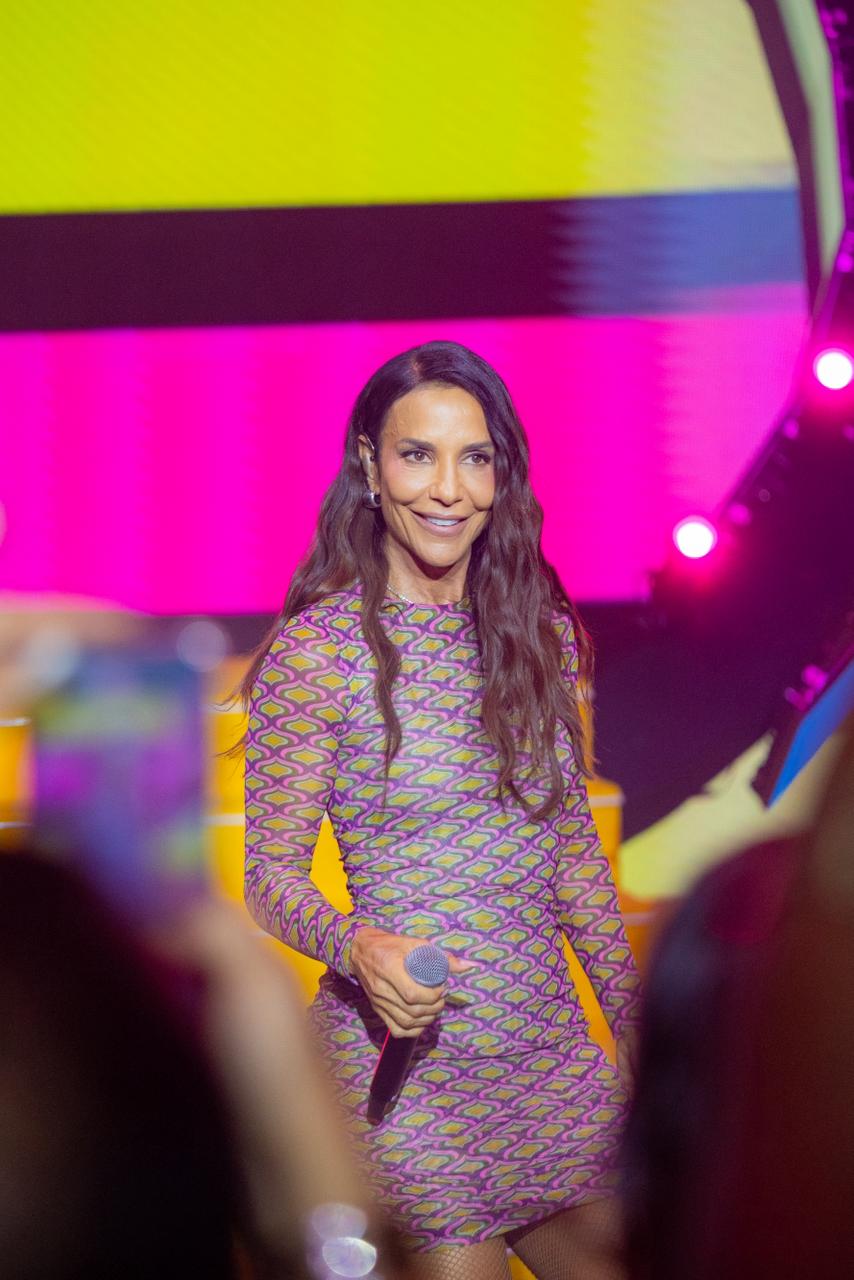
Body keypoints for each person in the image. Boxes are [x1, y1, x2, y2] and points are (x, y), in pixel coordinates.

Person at [241, 340, 641, 1279]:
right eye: (417, 455)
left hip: (550, 1071)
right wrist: (360, 948)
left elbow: (572, 856)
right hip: (409, 1090)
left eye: (475, 458)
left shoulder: (540, 635)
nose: (448, 489)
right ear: (370, 466)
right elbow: (268, 877)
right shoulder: (319, 655)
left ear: (502, 477)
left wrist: (637, 1026)